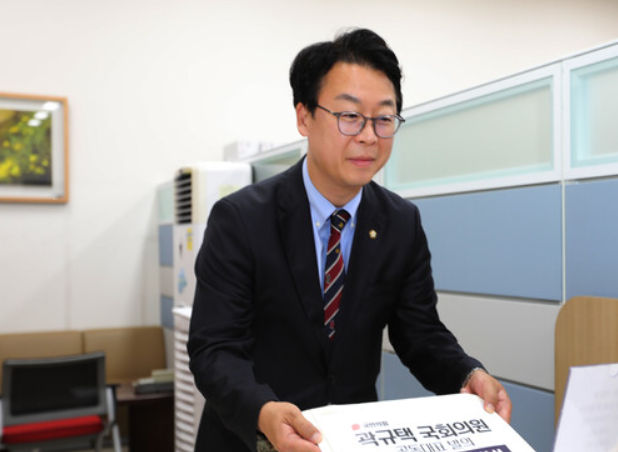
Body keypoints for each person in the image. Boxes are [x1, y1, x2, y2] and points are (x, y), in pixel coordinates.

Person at [188, 28, 511, 452]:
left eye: (384, 118)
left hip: (351, 440)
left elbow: (420, 333)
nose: (369, 136)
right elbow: (215, 349)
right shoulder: (241, 219)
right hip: (253, 441)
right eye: (350, 115)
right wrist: (263, 412)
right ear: (304, 117)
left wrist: (467, 375)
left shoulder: (401, 222)